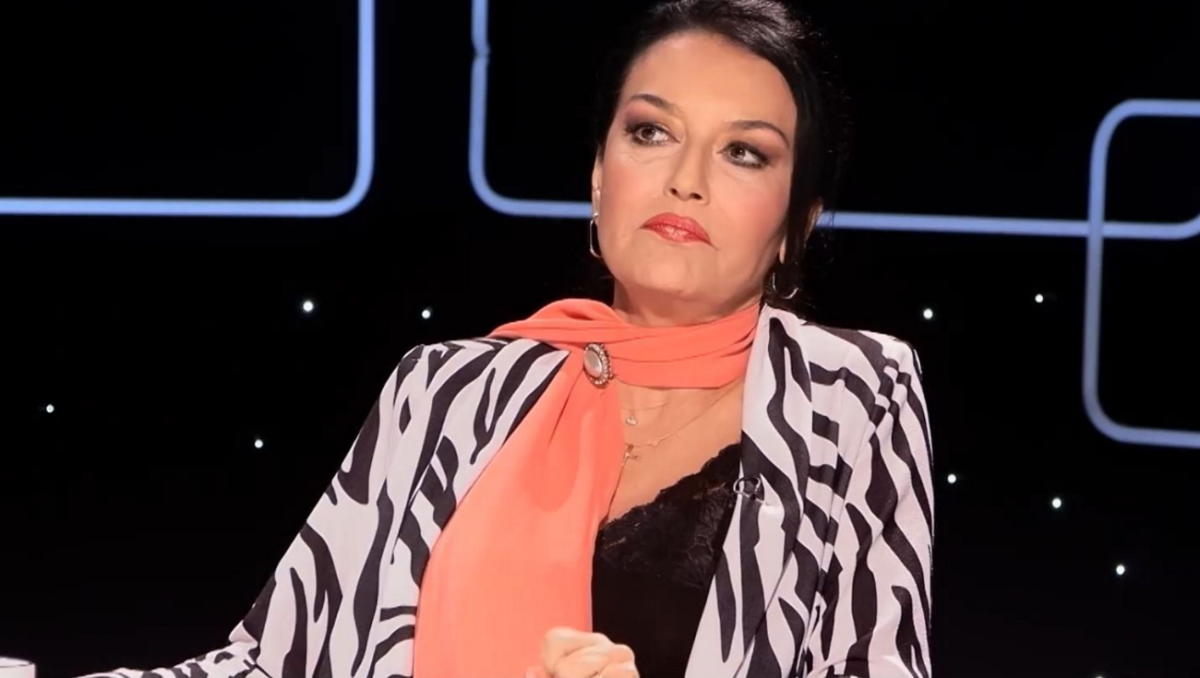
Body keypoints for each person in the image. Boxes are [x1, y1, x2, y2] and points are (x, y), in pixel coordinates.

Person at [79, 1, 933, 677]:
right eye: (651, 132)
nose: (685, 179)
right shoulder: (443, 391)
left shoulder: (853, 395)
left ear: (796, 224)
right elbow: (273, 663)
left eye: (744, 153)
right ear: (598, 175)